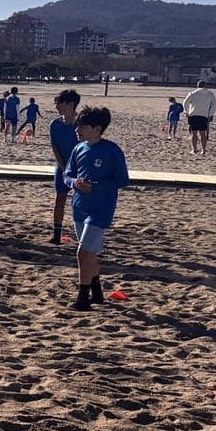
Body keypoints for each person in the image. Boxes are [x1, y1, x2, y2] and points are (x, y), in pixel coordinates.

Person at [62, 106, 130, 311]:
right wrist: (75, 183)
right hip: (79, 207)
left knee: (83, 252)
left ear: (97, 128)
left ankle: (83, 298)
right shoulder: (78, 149)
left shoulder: (112, 151)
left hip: (101, 208)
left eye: (82, 126)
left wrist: (95, 186)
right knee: (90, 253)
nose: (77, 130)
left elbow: (122, 180)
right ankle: (97, 292)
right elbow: (67, 175)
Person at [47, 88, 81, 245]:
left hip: (80, 169)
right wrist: (63, 167)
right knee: (59, 199)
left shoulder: (81, 124)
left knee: (80, 201)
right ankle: (56, 234)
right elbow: (55, 146)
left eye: (59, 103)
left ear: (70, 104)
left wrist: (76, 169)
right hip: (62, 167)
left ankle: (82, 235)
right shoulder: (55, 124)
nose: (56, 107)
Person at [183, 81, 216, 156]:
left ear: (197, 85)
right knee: (203, 134)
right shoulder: (210, 94)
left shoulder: (192, 93)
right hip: (204, 115)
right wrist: (210, 114)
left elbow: (185, 102)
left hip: (193, 115)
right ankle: (203, 150)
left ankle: (194, 150)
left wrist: (186, 112)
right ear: (205, 86)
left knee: (194, 133)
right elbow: (214, 105)